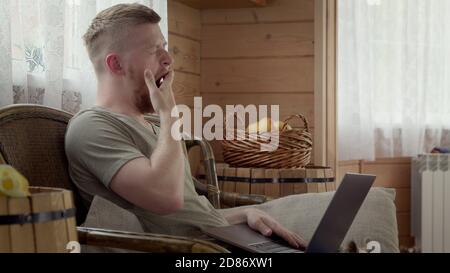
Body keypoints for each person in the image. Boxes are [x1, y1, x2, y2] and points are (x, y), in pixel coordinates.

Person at [65, 3, 307, 250]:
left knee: (334, 211)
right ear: (116, 64)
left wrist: (244, 214)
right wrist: (170, 114)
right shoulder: (91, 127)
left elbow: (187, 217)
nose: (168, 59)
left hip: (223, 236)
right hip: (194, 252)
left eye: (165, 47)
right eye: (154, 50)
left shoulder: (157, 126)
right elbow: (166, 200)